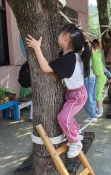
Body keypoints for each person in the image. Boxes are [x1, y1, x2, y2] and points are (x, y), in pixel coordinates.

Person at [25, 24, 90, 158]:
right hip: (74, 94)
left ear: (66, 37)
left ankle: (75, 141)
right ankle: (76, 132)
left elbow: (45, 68)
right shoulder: (71, 56)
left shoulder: (69, 59)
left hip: (77, 96)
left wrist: (37, 47)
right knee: (67, 117)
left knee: (63, 117)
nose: (57, 35)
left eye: (60, 33)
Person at [91, 39, 107, 118]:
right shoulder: (97, 53)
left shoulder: (95, 53)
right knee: (97, 94)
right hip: (99, 77)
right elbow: (92, 43)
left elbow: (91, 43)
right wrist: (85, 33)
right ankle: (99, 110)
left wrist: (83, 33)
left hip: (100, 77)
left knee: (97, 95)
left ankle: (100, 111)